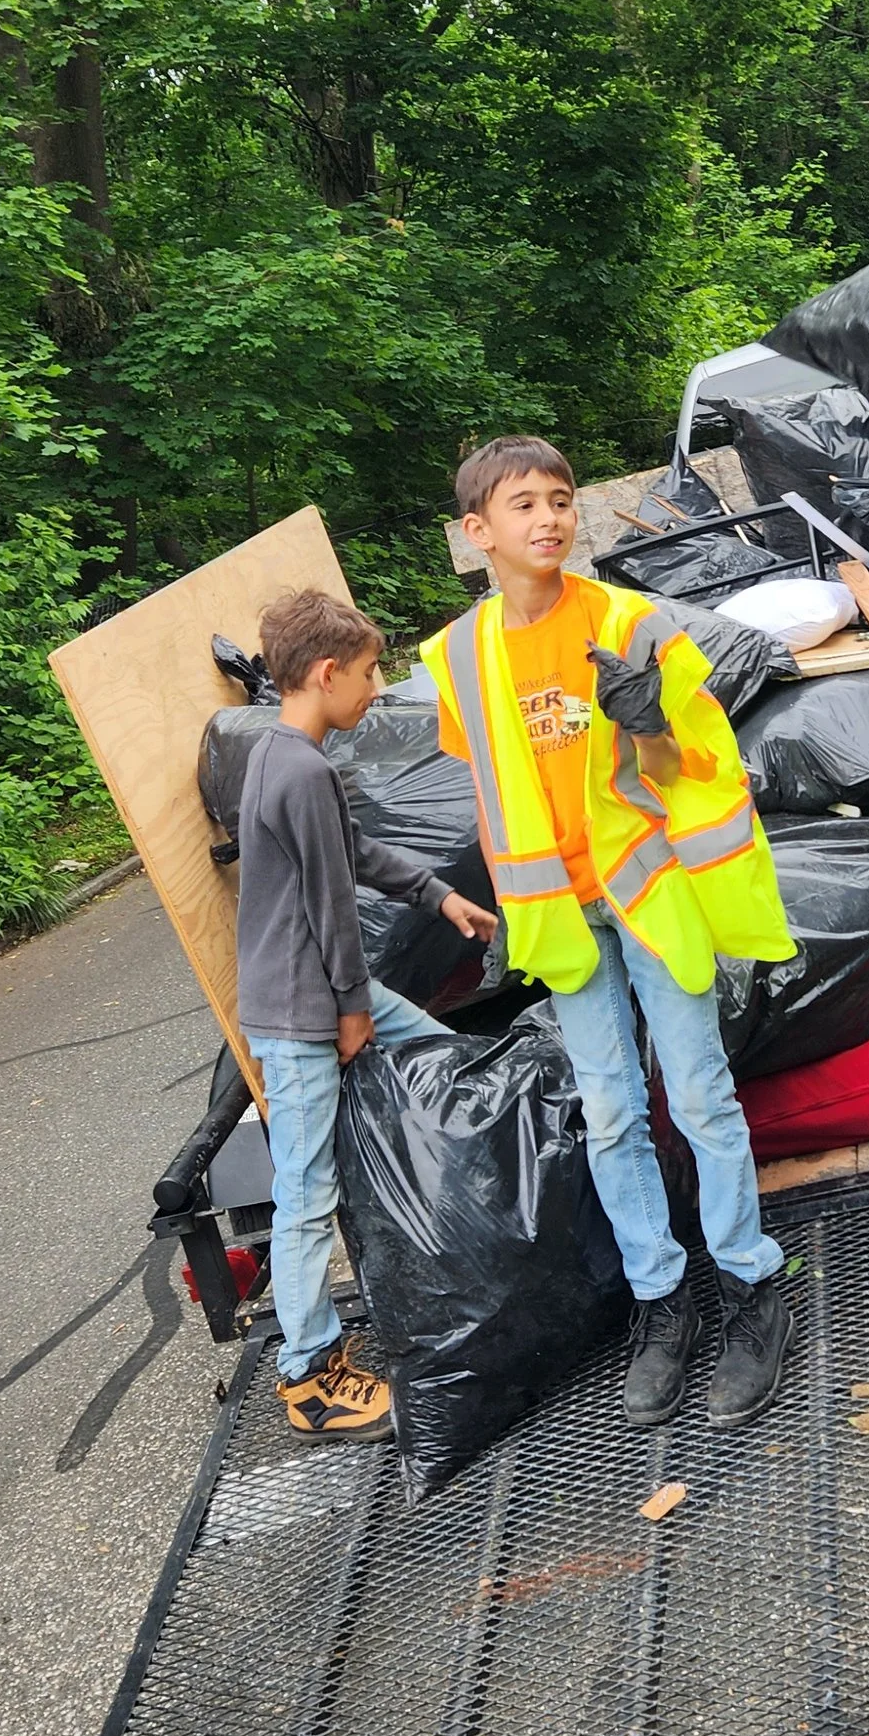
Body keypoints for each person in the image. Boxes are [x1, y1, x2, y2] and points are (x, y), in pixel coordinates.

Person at [421, 436, 802, 1432]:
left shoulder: (633, 628)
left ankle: (753, 1288)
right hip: (558, 915)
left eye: (559, 500)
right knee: (611, 1113)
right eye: (522, 506)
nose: (547, 518)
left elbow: (700, 767)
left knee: (700, 1097)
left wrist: (646, 724)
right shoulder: (456, 659)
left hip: (647, 895)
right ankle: (659, 1300)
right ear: (477, 533)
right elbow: (491, 780)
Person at [236, 585, 502, 1440]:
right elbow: (330, 906)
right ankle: (308, 1373)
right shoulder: (302, 768)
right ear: (324, 672)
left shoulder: (283, 758)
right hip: (303, 1007)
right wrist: (351, 1010)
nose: (376, 687)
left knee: (442, 1056)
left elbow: (351, 853)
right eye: (366, 671)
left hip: (313, 990)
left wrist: (438, 895)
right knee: (305, 1193)